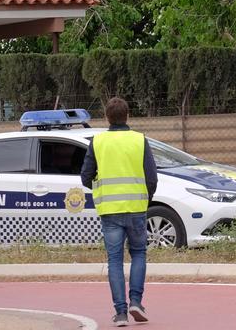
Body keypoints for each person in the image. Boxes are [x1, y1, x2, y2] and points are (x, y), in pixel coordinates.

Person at [80, 97, 158, 327]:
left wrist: (99, 187)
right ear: (128, 116)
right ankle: (136, 301)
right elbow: (151, 177)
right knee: (139, 254)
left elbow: (85, 175)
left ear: (107, 117)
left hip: (110, 211)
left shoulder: (98, 141)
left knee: (114, 260)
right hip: (136, 208)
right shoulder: (139, 140)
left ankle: (121, 313)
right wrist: (146, 198)